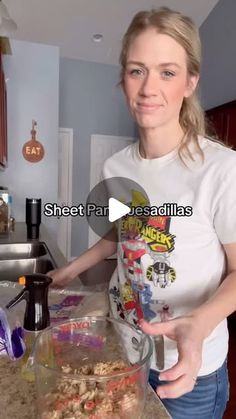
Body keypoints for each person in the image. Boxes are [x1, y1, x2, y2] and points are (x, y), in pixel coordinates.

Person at [48, 7, 236, 419]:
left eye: (167, 72)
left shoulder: (221, 169)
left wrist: (199, 324)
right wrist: (70, 269)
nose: (149, 87)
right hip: (124, 349)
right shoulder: (116, 167)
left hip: (190, 373)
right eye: (137, 71)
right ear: (123, 80)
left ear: (190, 81)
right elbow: (121, 233)